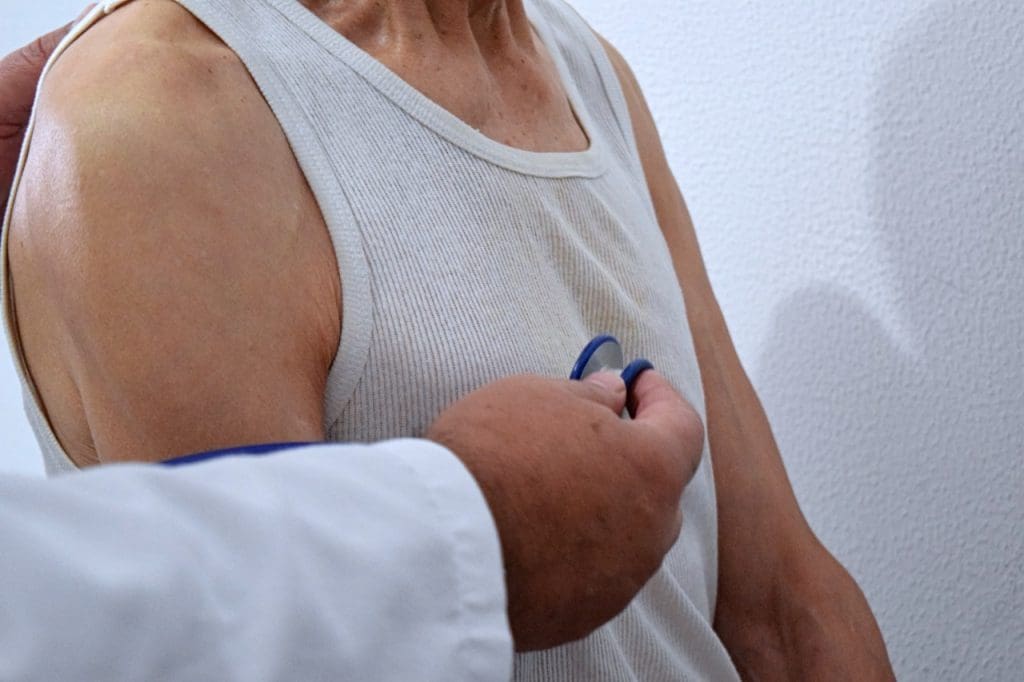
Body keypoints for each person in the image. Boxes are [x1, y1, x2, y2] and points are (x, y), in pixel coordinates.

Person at [1, 3, 895, 681]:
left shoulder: (583, 67)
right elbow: (274, 640)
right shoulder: (159, 112)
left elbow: (783, 606)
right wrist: (487, 528)